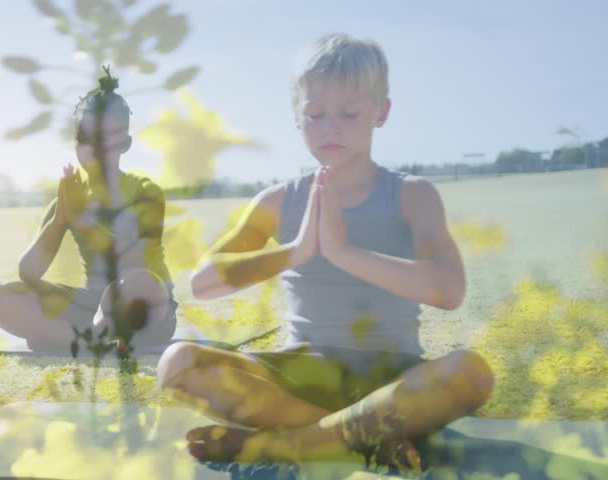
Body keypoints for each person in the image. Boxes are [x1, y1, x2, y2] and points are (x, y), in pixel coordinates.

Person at [155, 33, 494, 472]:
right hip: (297, 379)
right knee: (177, 363)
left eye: (349, 113)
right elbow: (203, 283)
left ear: (382, 112)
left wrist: (344, 252)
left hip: (390, 381)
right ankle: (358, 438)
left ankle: (288, 445)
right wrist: (296, 251)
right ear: (297, 118)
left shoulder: (412, 195)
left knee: (469, 372)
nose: (330, 128)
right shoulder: (279, 200)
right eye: (315, 115)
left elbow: (449, 290)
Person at [0, 68, 177, 354]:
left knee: (138, 283)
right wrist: (61, 219)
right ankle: (92, 341)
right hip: (92, 305)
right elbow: (30, 272)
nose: (92, 149)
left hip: (146, 307)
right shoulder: (70, 195)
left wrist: (82, 220)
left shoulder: (145, 190)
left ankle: (75, 338)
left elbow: (135, 260)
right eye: (84, 139)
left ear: (124, 143)